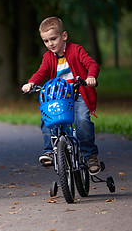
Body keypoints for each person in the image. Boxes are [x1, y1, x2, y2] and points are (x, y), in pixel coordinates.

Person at [21, 16, 101, 175]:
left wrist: (90, 77)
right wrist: (30, 83)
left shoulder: (76, 50)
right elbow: (42, 72)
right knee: (47, 117)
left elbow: (92, 64)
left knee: (82, 120)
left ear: (64, 36)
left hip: (78, 94)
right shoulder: (47, 57)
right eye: (45, 41)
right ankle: (50, 151)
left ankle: (89, 155)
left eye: (53, 39)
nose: (50, 44)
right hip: (59, 96)